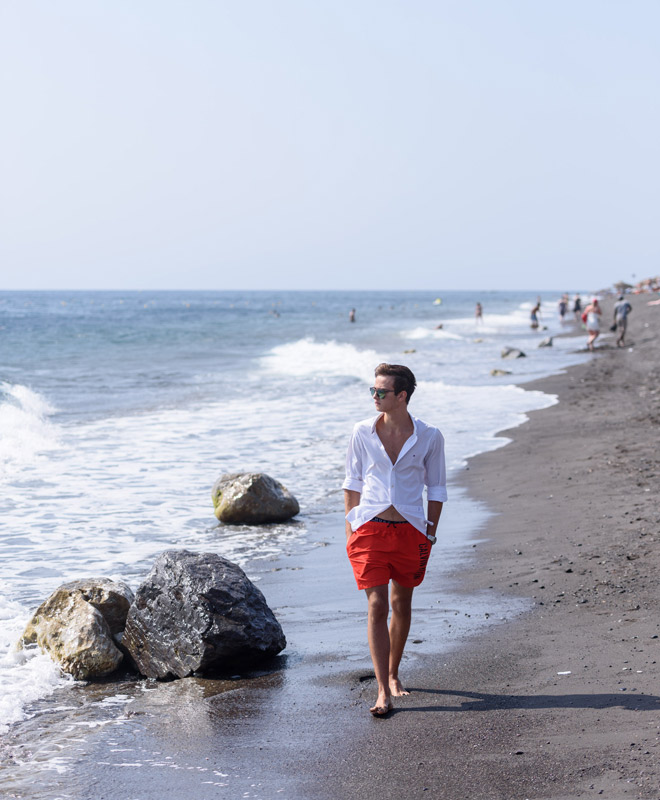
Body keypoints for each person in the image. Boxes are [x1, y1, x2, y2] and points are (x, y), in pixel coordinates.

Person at [343, 363, 447, 716]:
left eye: (381, 392)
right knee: (377, 605)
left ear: (401, 396)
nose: (374, 396)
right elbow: (352, 481)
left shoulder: (430, 436)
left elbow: (437, 488)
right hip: (370, 527)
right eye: (372, 390)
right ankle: (381, 691)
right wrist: (350, 528)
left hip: (411, 530)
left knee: (401, 604)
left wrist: (430, 530)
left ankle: (393, 674)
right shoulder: (361, 431)